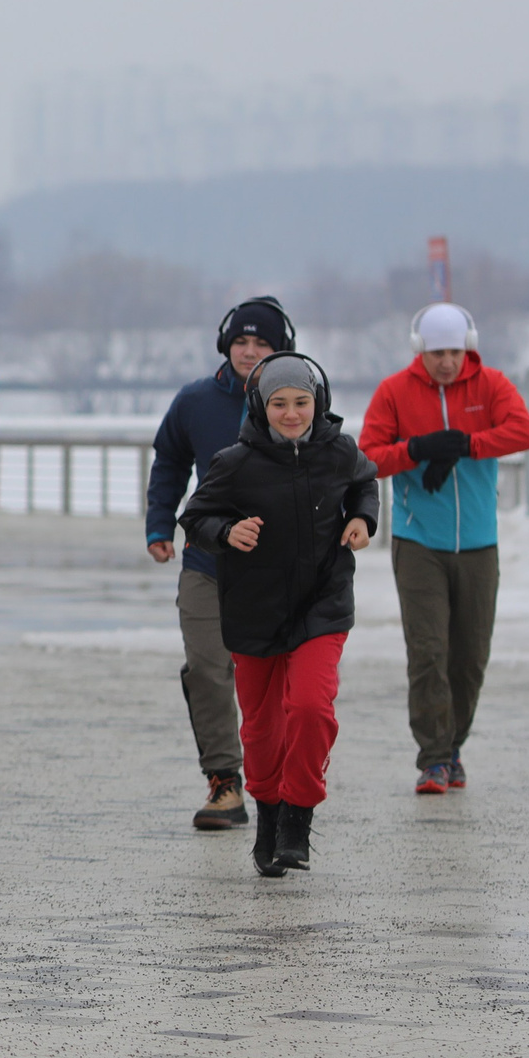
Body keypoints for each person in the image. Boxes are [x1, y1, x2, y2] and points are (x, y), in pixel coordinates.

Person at [179, 353, 378, 878]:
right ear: (261, 407)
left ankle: (298, 817)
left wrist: (362, 517)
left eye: (302, 403)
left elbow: (366, 483)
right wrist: (227, 533)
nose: (292, 414)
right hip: (254, 609)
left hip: (322, 603)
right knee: (262, 731)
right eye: (279, 404)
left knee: (311, 708)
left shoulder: (338, 451)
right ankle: (268, 819)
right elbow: (195, 517)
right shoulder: (236, 462)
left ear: (319, 403)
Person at [357, 303, 529, 794]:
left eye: (455, 352)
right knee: (429, 651)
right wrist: (417, 449)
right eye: (437, 353)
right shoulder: (394, 391)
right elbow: (367, 457)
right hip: (419, 542)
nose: (447, 363)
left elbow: (524, 432)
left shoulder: (492, 385)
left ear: (469, 347)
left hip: (479, 542)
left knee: (469, 656)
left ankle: (453, 744)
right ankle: (433, 758)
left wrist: (464, 445)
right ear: (421, 351)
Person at [145, 295, 291, 833]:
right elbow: (169, 463)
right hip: (206, 558)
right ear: (225, 345)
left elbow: (329, 468)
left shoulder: (296, 401)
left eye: (262, 343)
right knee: (208, 666)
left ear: (281, 350)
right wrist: (159, 524)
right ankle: (224, 781)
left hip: (278, 567)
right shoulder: (195, 401)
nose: (249, 351)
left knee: (274, 680)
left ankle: (276, 783)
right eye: (241, 341)